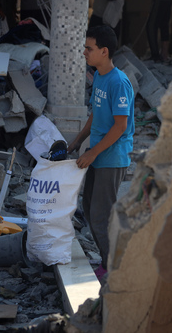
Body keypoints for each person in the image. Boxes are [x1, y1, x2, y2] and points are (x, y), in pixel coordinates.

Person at [67, 25, 135, 280]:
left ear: (104, 51)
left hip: (111, 157)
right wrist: (76, 142)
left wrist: (93, 153)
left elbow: (120, 126)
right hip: (97, 154)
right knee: (89, 207)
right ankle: (108, 261)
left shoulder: (119, 82)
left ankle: (114, 268)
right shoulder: (98, 77)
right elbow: (95, 114)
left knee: (100, 214)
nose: (84, 52)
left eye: (89, 48)